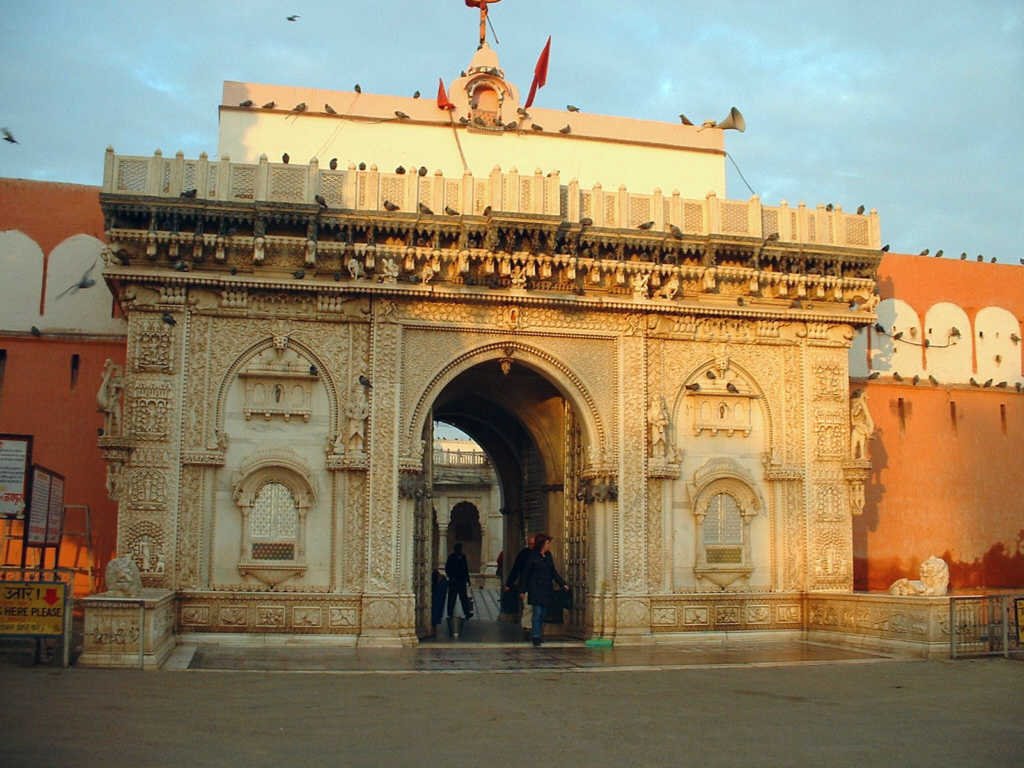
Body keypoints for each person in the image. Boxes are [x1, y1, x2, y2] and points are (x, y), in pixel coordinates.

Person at [517, 533, 570, 647]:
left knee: (543, 613)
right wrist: (522, 590)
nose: (549, 545)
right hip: (535, 589)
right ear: (542, 544)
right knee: (537, 612)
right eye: (547, 543)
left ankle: (539, 634)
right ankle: (536, 636)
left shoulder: (548, 556)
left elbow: (553, 571)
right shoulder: (532, 556)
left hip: (546, 589)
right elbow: (525, 574)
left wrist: (562, 583)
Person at [503, 534, 535, 632]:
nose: (531, 545)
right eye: (530, 543)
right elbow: (516, 569)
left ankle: (534, 628)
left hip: (538, 586)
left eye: (533, 543)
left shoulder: (541, 554)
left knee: (537, 609)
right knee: (527, 607)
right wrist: (509, 583)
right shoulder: (524, 554)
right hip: (526, 586)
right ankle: (527, 628)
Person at [445, 542, 473, 629]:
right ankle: (450, 613)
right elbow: (448, 568)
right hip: (455, 581)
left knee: (463, 597)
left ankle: (466, 612)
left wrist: (467, 579)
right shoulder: (452, 557)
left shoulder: (462, 557)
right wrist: (451, 576)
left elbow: (465, 569)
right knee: (452, 598)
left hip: (460, 581)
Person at [430, 569, 448, 637]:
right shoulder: (442, 581)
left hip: (436, 597)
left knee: (436, 610)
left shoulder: (442, 582)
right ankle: (433, 628)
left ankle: (433, 628)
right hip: (436, 597)